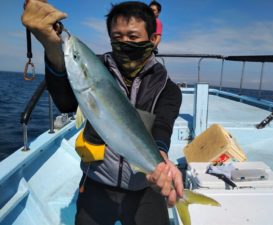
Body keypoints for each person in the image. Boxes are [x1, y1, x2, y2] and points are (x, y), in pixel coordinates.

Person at [22, 1, 183, 225]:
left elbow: (162, 126)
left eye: (133, 37)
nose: (124, 42)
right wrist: (51, 46)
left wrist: (161, 161)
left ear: (153, 39)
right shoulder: (97, 66)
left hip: (145, 186)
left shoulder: (168, 88)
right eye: (117, 37)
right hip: (97, 183)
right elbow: (66, 101)